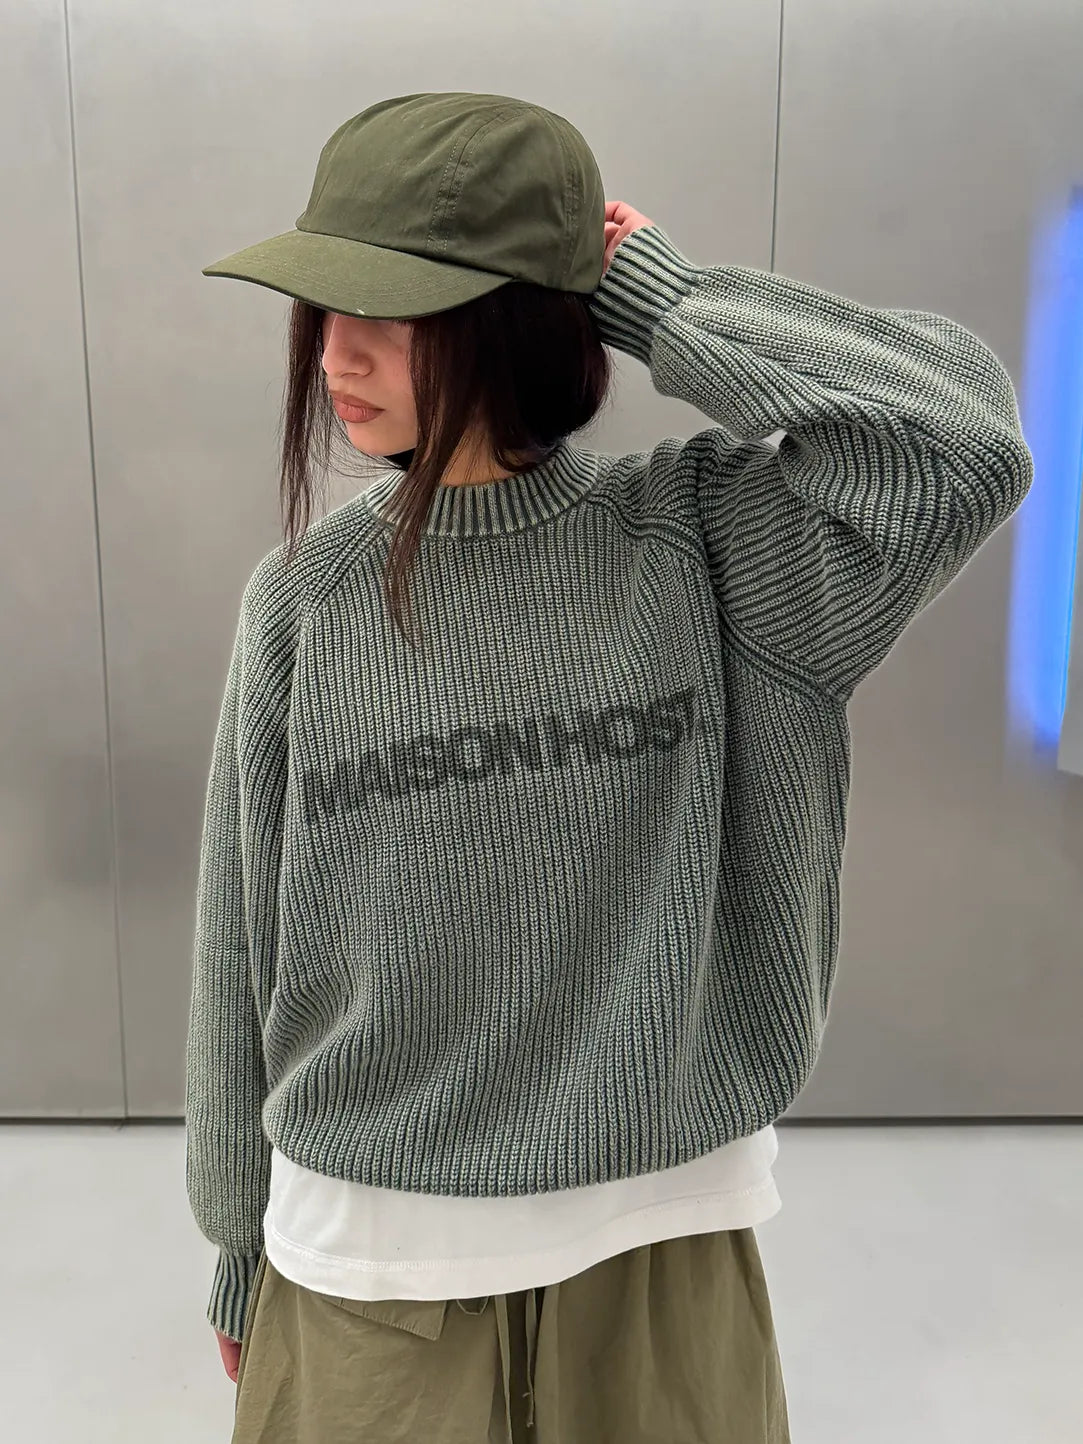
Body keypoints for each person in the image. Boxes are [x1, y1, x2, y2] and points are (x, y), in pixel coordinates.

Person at [184, 91, 1033, 1443]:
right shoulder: (306, 602)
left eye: (392, 308)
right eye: (323, 303)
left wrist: (663, 298)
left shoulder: (713, 548)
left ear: (517, 315)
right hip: (368, 1267)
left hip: (656, 1251)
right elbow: (243, 941)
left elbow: (955, 443)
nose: (336, 351)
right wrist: (240, 1239)